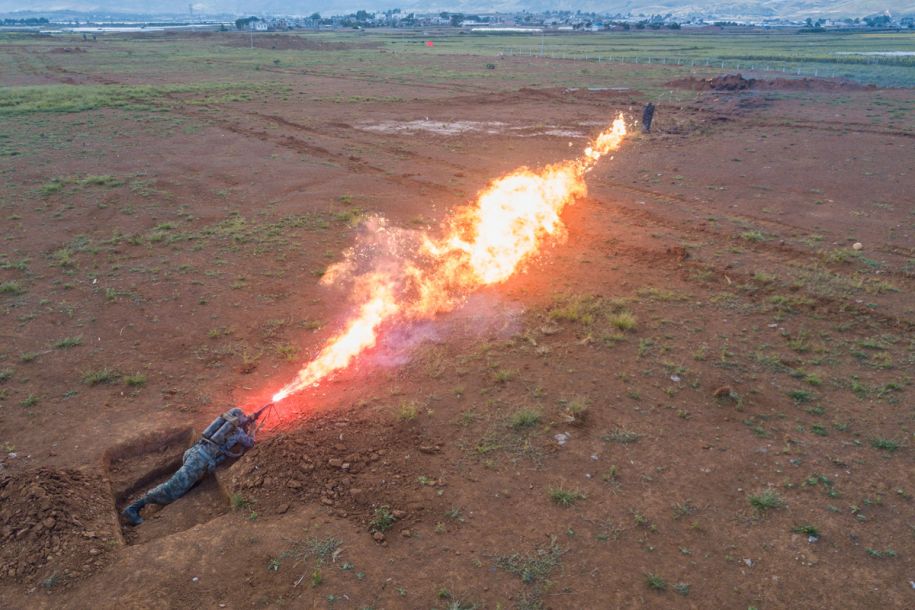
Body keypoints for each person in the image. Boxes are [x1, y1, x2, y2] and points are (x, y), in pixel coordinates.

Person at [121, 407, 256, 525]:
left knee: (184, 484)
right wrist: (253, 429)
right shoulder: (237, 432)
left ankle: (137, 506)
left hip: (194, 452)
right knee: (171, 489)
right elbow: (250, 443)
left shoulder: (222, 423)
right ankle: (133, 509)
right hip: (199, 461)